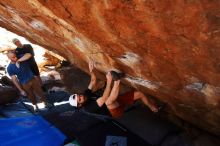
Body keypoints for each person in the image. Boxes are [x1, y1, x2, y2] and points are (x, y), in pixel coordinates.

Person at [69, 61, 159, 118]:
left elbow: (93, 81)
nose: (81, 97)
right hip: (114, 112)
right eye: (79, 99)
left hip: (114, 101)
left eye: (79, 95)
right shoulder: (89, 108)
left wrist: (92, 70)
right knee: (108, 101)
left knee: (140, 94)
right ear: (80, 105)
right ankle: (117, 81)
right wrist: (109, 81)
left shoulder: (85, 95)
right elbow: (104, 98)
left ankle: (152, 107)